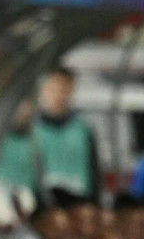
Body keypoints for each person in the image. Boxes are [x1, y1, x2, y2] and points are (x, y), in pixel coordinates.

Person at [33, 68, 101, 199]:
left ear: (71, 91)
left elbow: (94, 171)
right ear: (42, 91)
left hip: (78, 204)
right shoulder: (33, 130)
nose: (58, 96)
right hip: (43, 204)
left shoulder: (83, 130)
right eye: (53, 89)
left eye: (63, 90)